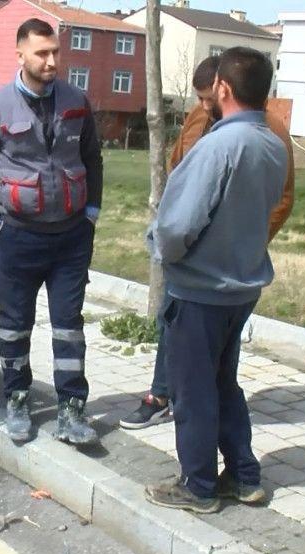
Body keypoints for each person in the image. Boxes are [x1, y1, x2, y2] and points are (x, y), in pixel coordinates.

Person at [143, 48, 289, 514]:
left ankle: (199, 486)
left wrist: (164, 254)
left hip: (200, 289)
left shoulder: (218, 146)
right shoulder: (271, 143)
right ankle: (244, 478)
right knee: (224, 384)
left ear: (222, 88)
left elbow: (176, 226)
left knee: (192, 390)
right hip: (241, 286)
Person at [120, 55, 295, 433]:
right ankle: (166, 399)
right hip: (192, 267)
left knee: (204, 385)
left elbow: (281, 199)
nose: (202, 105)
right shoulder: (204, 122)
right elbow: (179, 171)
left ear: (223, 88)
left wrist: (240, 245)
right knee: (197, 362)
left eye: (207, 95)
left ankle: (198, 481)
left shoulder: (268, 135)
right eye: (197, 98)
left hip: (221, 274)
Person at [0, 18, 103, 446]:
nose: (51, 61)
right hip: (18, 237)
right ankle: (18, 399)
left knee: (68, 326)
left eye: (55, 52)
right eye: (42, 53)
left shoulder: (76, 101)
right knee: (14, 325)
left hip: (71, 238)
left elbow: (93, 159)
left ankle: (72, 410)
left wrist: (91, 214)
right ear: (20, 54)